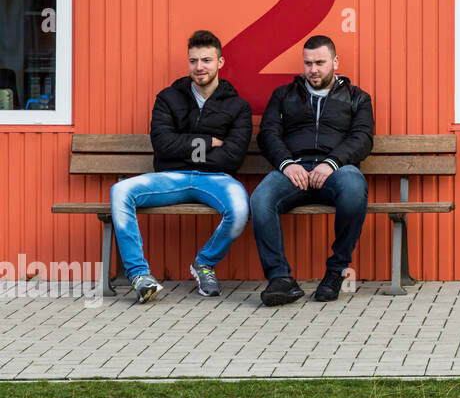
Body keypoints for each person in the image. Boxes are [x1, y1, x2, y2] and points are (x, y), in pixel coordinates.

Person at [111, 30, 252, 302]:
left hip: (216, 180)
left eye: (207, 60)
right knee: (120, 191)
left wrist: (184, 150)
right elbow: (162, 144)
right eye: (194, 60)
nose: (199, 67)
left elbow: (233, 157)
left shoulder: (238, 106)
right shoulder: (168, 98)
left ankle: (205, 264)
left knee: (240, 209)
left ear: (220, 62)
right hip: (171, 178)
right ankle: (140, 275)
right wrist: (209, 142)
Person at [251, 35, 374, 305]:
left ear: (335, 62)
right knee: (260, 198)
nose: (313, 69)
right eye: (308, 63)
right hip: (293, 171)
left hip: (337, 172)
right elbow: (269, 133)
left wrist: (331, 163)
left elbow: (362, 138)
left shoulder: (357, 98)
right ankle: (280, 279)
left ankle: (335, 272)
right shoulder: (283, 95)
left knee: (354, 188)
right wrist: (286, 163)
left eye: (320, 62)